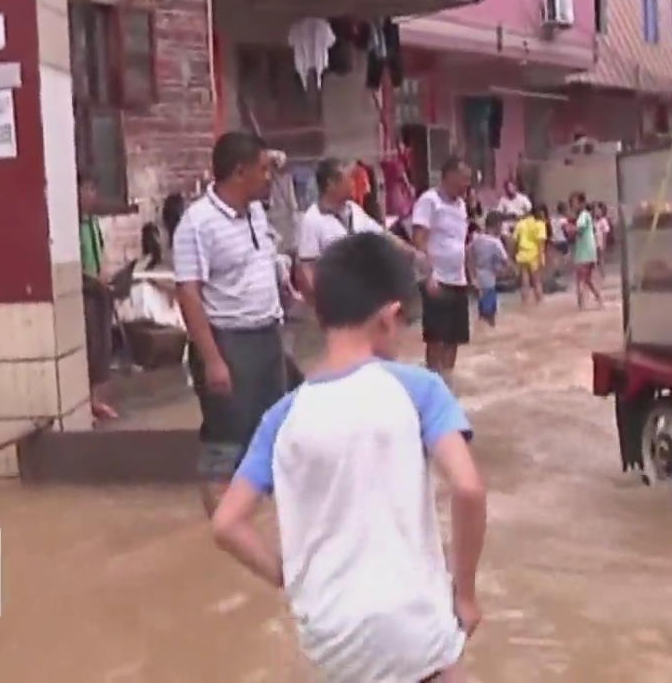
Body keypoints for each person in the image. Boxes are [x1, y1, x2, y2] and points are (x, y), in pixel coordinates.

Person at [211, 232, 487, 682]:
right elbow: (468, 488)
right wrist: (467, 595)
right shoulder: (418, 388)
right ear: (390, 317)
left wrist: (286, 574)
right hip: (412, 625)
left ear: (321, 316)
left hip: (328, 635)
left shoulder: (281, 417)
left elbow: (226, 524)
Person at [174, 132, 290, 515]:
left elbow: (275, 162)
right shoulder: (197, 224)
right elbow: (188, 293)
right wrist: (212, 359)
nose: (268, 176)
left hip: (266, 335)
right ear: (240, 172)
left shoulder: (256, 211)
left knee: (273, 429)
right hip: (227, 341)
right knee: (225, 441)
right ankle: (221, 532)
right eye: (261, 170)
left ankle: (255, 518)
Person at [296, 157, 423, 299]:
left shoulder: (354, 209)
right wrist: (319, 302)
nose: (353, 184)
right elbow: (307, 266)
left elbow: (382, 234)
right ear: (331, 184)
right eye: (349, 179)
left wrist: (412, 253)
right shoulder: (313, 219)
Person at [413, 157, 474, 384]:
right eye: (463, 178)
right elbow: (419, 240)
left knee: (454, 337)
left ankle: (447, 382)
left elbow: (462, 243)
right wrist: (428, 276)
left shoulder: (461, 205)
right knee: (436, 337)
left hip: (458, 279)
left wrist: (470, 275)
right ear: (448, 175)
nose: (467, 184)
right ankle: (433, 382)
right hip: (436, 279)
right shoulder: (429, 201)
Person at [78, 176, 118, 421]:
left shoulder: (92, 223)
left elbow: (99, 255)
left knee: (101, 345)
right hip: (84, 293)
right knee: (88, 345)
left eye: (95, 189)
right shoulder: (71, 226)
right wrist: (93, 280)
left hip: (100, 290)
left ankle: (95, 400)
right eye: (87, 189)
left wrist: (106, 275)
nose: (92, 195)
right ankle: (84, 402)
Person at [469, 215, 511, 326]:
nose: (501, 230)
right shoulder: (495, 242)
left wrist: (472, 275)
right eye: (500, 227)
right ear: (496, 226)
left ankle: (481, 333)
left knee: (481, 310)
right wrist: (507, 271)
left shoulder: (476, 238)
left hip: (478, 278)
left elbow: (469, 255)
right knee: (490, 314)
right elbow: (506, 261)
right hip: (489, 279)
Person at [571, 194, 604, 309]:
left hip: (585, 252)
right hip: (587, 250)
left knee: (581, 277)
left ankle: (582, 304)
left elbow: (578, 230)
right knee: (586, 278)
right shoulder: (585, 215)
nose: (573, 206)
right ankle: (597, 298)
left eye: (575, 203)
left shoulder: (583, 215)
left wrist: (567, 227)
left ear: (581, 203)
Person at [511, 204, 547, 305]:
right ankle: (540, 304)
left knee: (524, 281)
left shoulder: (520, 223)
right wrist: (541, 259)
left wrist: (513, 254)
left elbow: (514, 240)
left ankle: (524, 304)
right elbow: (540, 243)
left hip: (522, 255)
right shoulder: (540, 224)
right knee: (537, 282)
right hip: (534, 256)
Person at [594, 202, 613, 279]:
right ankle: (596, 275)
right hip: (593, 242)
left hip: (600, 242)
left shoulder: (603, 221)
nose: (596, 212)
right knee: (594, 260)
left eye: (598, 211)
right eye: (595, 211)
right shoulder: (593, 220)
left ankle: (602, 275)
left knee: (601, 259)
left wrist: (604, 244)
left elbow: (605, 233)